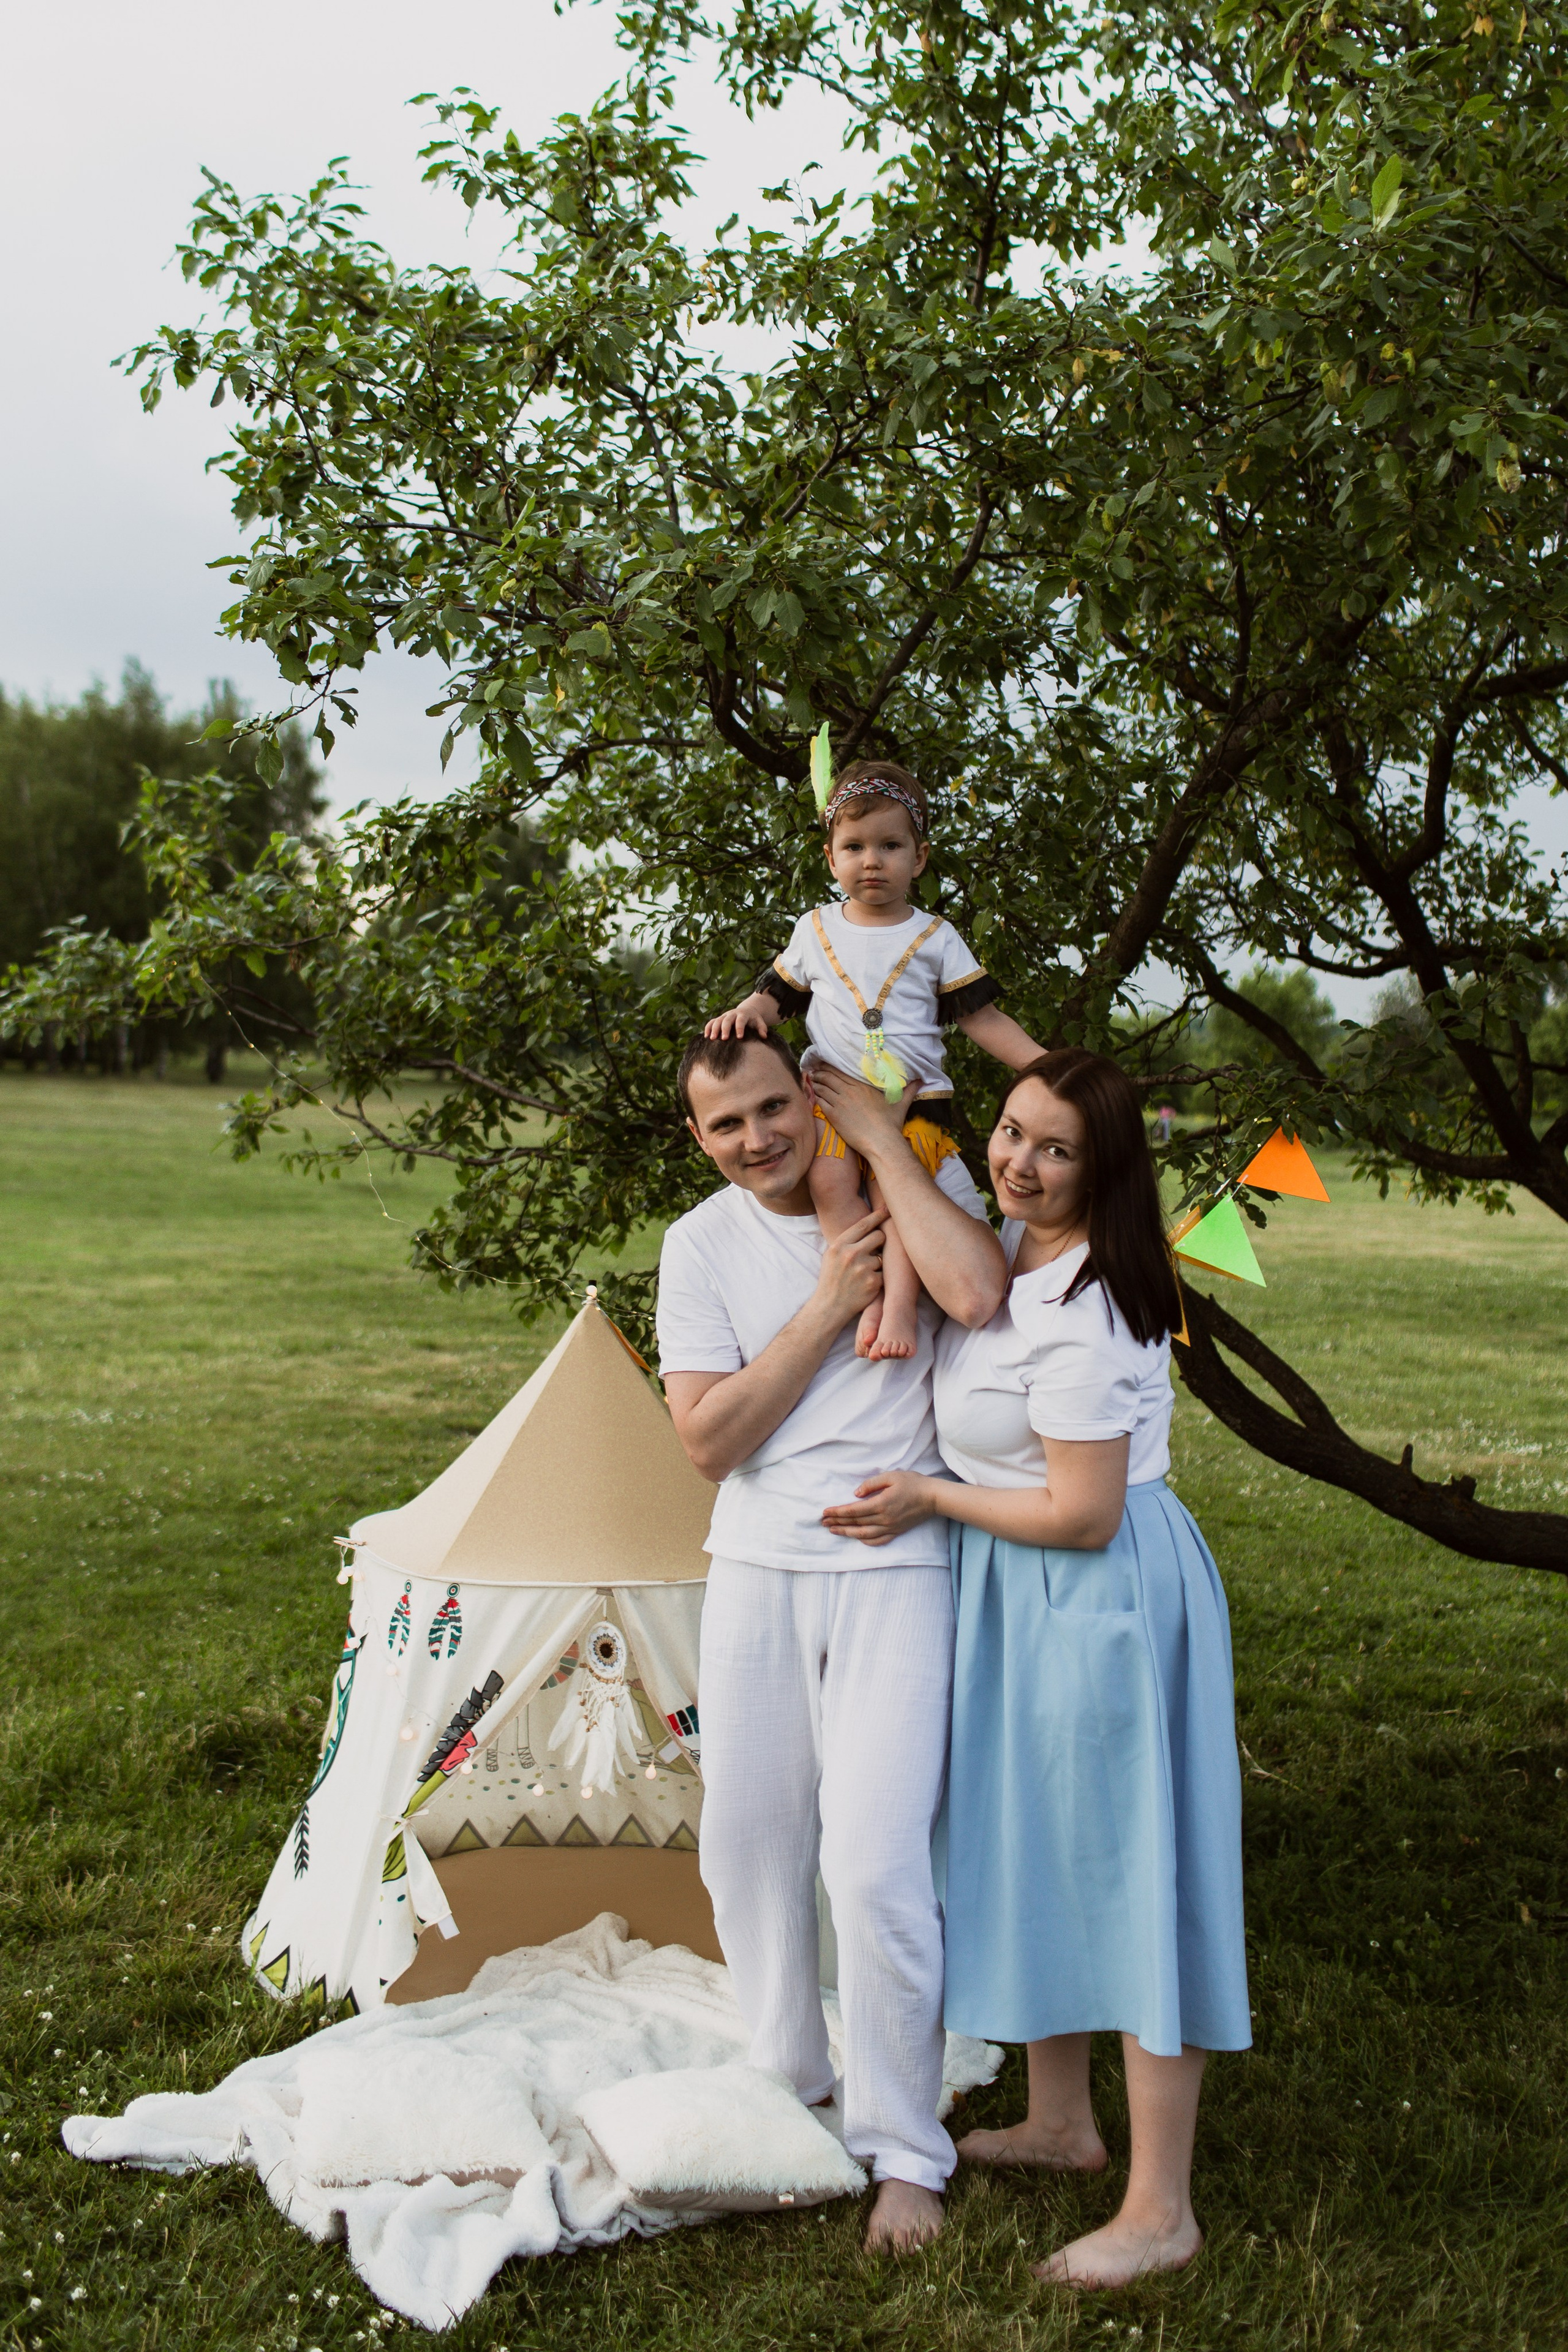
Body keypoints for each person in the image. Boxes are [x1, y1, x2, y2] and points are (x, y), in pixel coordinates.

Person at [820, 1050, 1250, 2291]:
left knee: (1130, 1875)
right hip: (1019, 1592)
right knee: (1041, 1852)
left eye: (1054, 1149)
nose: (1017, 1161)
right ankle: (1060, 2121)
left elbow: (1081, 1512)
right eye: (1010, 1132)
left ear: (1103, 1170)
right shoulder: (1010, 1258)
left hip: (1096, 1595)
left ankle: (1159, 2208)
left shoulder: (1090, 1303)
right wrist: (881, 1137)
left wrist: (923, 1499)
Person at [656, 1030, 1006, 2252]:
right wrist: (824, 1304)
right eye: (724, 1126)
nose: (754, 1140)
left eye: (770, 1110)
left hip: (895, 1561)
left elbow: (976, 1293)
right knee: (747, 1844)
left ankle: (905, 2144)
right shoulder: (696, 1245)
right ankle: (787, 2072)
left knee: (869, 1865)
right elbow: (709, 1442)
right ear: (697, 1140)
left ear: (808, 1097)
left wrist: (876, 1146)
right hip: (753, 1561)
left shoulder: (912, 1180)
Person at [704, 758, 1041, 1360]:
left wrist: (1046, 1067)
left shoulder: (936, 937)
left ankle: (900, 1308)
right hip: (831, 1100)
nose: (871, 861)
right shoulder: (814, 929)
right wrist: (745, 1011)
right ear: (831, 859)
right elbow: (776, 996)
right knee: (832, 1182)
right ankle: (865, 1295)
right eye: (853, 847)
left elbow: (981, 1018)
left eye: (890, 845)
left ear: (920, 858)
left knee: (896, 1200)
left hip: (910, 1104)